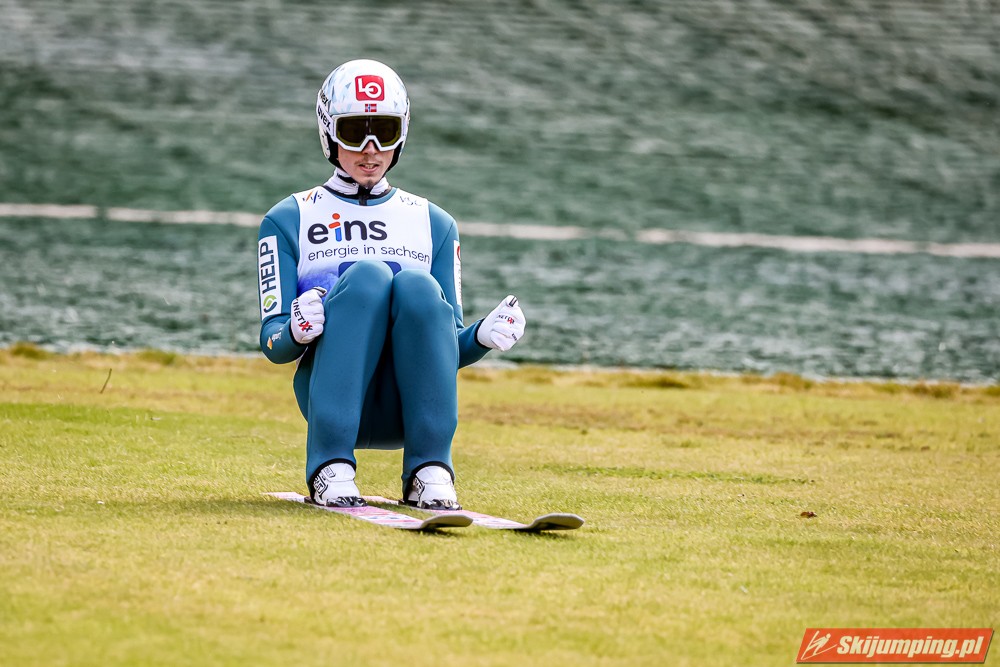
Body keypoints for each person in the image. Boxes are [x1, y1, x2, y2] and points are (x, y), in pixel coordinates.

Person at [256, 59, 525, 511]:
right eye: (353, 132)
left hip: (410, 406)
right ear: (328, 133)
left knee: (418, 287)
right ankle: (330, 465)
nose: (371, 149)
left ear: (402, 133)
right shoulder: (288, 218)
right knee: (368, 276)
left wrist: (481, 336)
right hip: (329, 399)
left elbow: (447, 348)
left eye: (384, 130)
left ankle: (430, 468)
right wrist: (296, 330)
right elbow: (272, 342)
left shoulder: (435, 222)